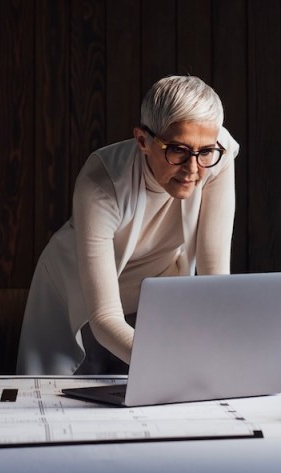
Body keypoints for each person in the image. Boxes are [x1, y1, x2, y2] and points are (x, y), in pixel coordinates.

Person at [16, 75, 240, 375]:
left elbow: (215, 275)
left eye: (204, 152)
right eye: (177, 151)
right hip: (80, 298)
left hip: (155, 291)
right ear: (143, 140)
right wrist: (176, 367)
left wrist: (226, 353)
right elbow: (105, 318)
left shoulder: (218, 154)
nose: (192, 169)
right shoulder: (100, 182)